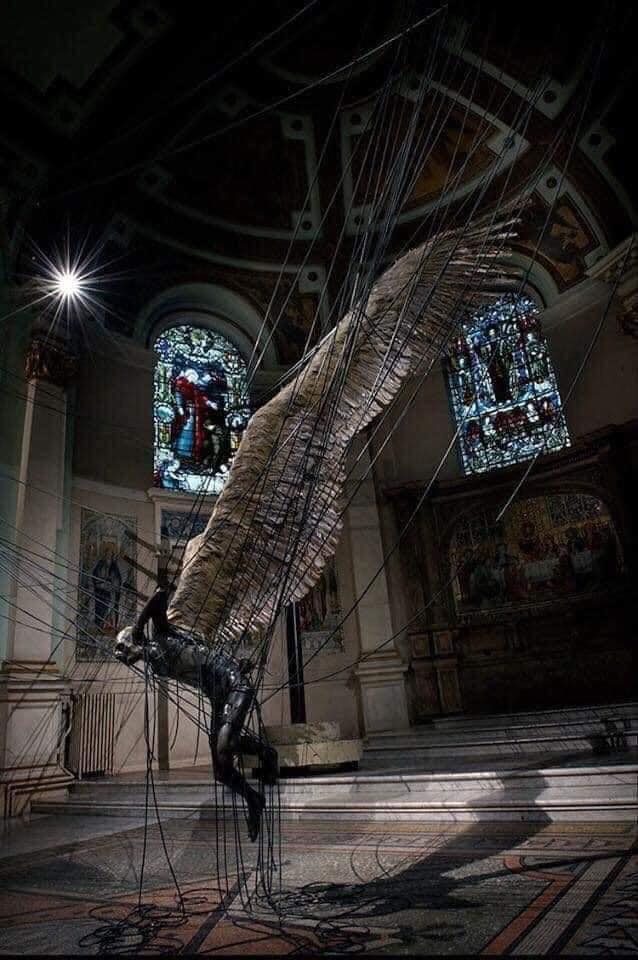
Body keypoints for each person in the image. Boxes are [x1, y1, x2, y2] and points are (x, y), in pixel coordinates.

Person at [114, 589, 277, 841]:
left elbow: (159, 595)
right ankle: (256, 788)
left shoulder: (161, 634)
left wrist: (138, 627)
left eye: (122, 647)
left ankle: (266, 758)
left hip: (235, 685)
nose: (121, 654)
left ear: (134, 639)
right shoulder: (154, 661)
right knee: (221, 771)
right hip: (218, 696)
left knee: (225, 745)